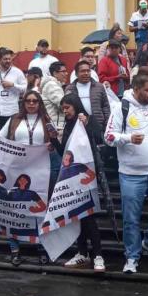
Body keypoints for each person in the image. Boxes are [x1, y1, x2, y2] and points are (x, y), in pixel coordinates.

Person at [105, 74, 148, 274]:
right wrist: (128, 138)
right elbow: (108, 137)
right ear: (135, 89)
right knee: (131, 218)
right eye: (147, 90)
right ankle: (132, 256)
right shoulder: (121, 108)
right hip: (131, 174)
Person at [0, 90, 59, 265]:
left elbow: (56, 144)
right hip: (17, 170)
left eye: (35, 101)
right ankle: (15, 249)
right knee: (14, 208)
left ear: (39, 103)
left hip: (41, 171)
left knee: (40, 209)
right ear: (23, 103)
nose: (31, 104)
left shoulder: (46, 121)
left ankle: (42, 247)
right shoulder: (13, 120)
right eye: (28, 101)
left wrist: (52, 146)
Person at [59, 94, 105, 272]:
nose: (65, 111)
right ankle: (82, 252)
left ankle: (98, 254)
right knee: (77, 216)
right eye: (63, 109)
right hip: (71, 177)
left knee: (89, 217)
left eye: (67, 108)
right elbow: (64, 152)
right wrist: (55, 139)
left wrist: (86, 124)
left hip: (87, 175)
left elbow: (99, 138)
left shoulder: (88, 119)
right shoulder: (68, 125)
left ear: (76, 106)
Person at [65, 60, 111, 142]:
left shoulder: (99, 87)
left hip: (98, 126)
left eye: (88, 71)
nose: (86, 73)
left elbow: (105, 106)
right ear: (76, 74)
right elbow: (66, 108)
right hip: (78, 127)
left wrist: (107, 124)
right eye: (82, 71)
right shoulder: (70, 89)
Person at [0, 47, 27, 131]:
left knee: (11, 138)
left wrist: (13, 85)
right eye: (5, 59)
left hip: (11, 112)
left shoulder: (18, 72)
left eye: (9, 59)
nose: (8, 61)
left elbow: (24, 89)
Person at [41, 61, 68, 139]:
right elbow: (63, 104)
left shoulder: (54, 84)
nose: (66, 74)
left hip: (55, 124)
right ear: (55, 73)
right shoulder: (52, 85)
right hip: (57, 126)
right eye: (63, 71)